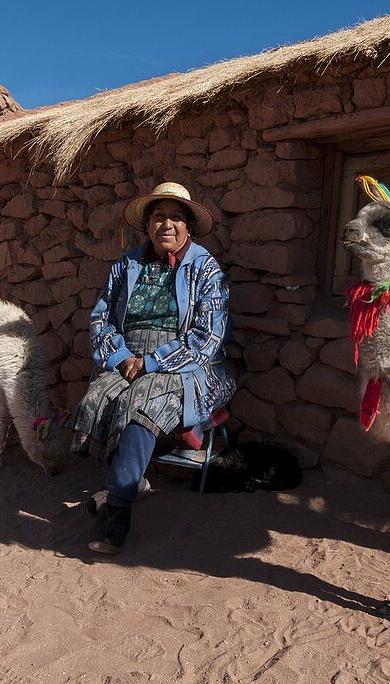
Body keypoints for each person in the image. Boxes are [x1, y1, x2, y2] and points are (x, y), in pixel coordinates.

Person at [69, 182, 236, 554]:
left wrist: (153, 362)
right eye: (159, 216)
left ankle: (116, 515)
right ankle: (130, 482)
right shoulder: (126, 264)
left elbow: (209, 336)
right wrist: (121, 357)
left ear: (188, 225)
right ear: (147, 224)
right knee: (101, 393)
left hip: (191, 368)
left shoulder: (205, 269)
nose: (167, 225)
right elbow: (101, 318)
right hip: (129, 360)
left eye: (176, 217)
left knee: (142, 400)